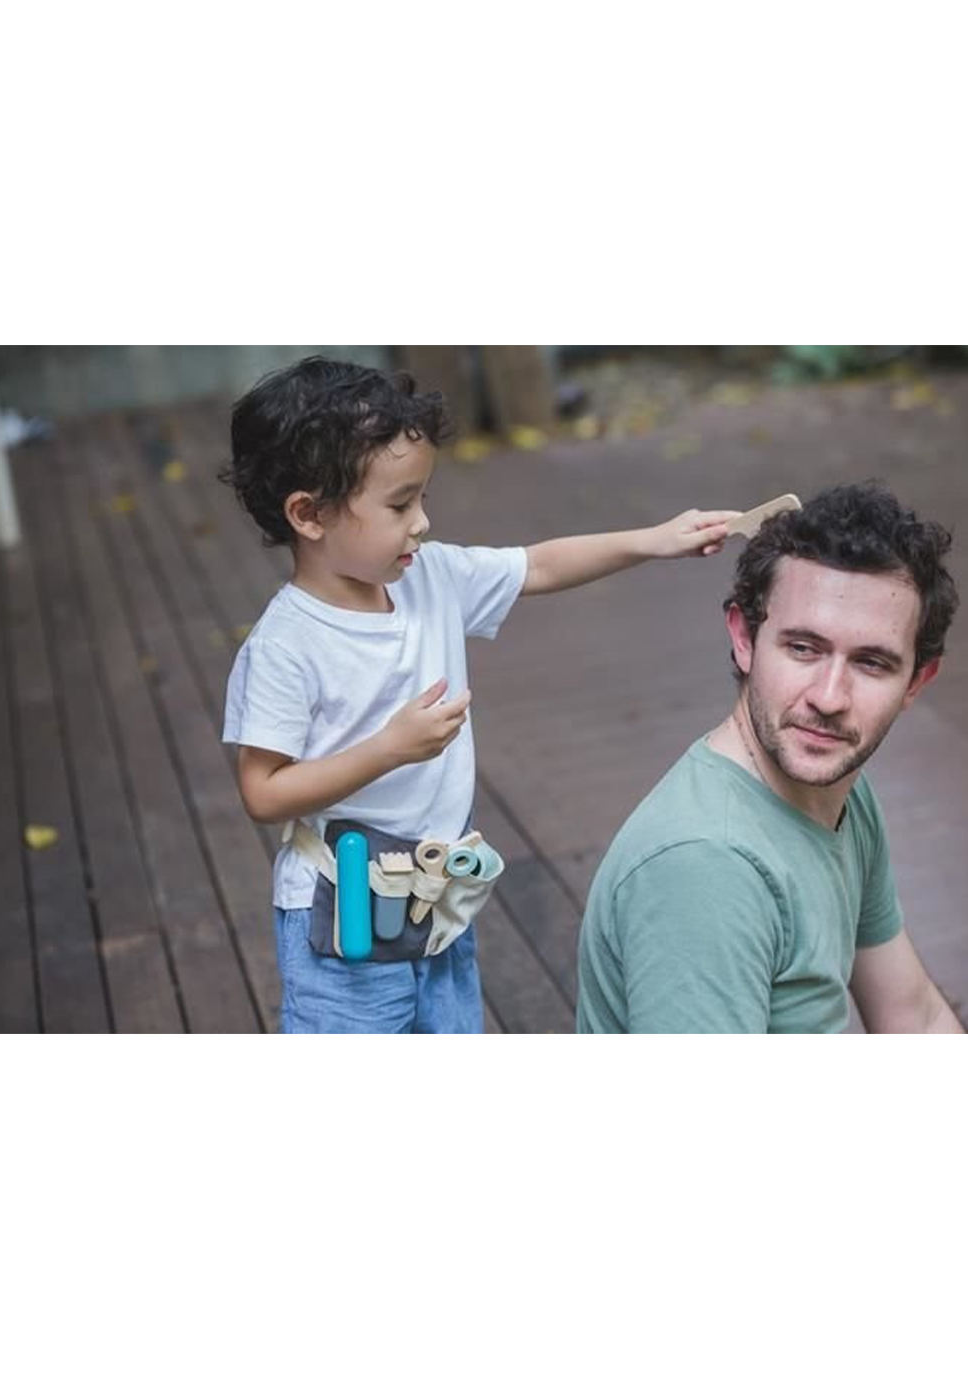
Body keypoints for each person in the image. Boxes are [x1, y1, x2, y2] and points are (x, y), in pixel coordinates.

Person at [220, 355, 738, 1034]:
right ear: (308, 515)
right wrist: (388, 750)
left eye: (423, 497)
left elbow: (541, 564)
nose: (423, 522)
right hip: (339, 922)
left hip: (436, 906)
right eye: (400, 503)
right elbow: (263, 792)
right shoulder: (287, 645)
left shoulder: (429, 578)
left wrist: (655, 540)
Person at [577, 481, 966, 1034]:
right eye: (803, 648)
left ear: (916, 682)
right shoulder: (705, 866)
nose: (829, 698)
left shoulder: (841, 787)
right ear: (744, 637)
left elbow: (916, 1017)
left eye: (872, 663)